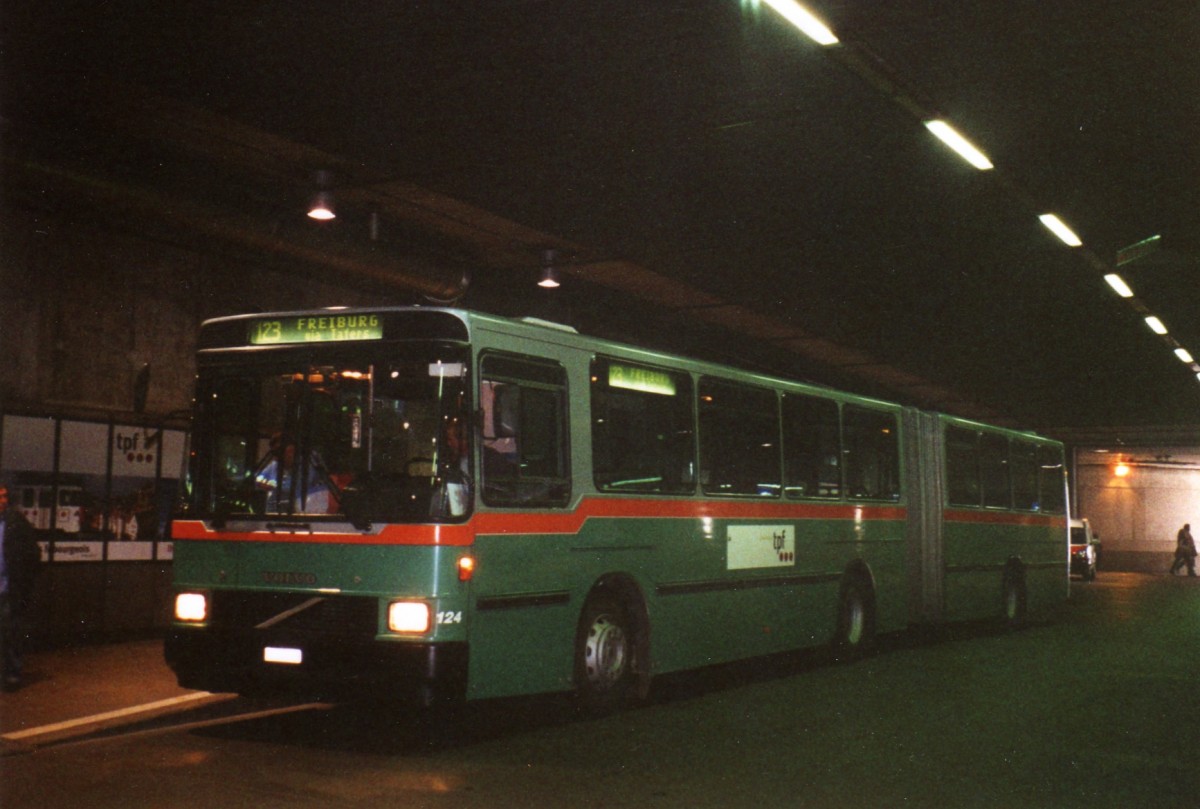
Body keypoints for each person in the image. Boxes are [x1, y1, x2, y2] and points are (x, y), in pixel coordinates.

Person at [1, 484, 43, 691]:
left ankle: (12, 674)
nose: (3, 501)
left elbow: (34, 554)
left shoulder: (16, 522)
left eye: (4, 496)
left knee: (12, 633)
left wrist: (24, 582)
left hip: (10, 589)